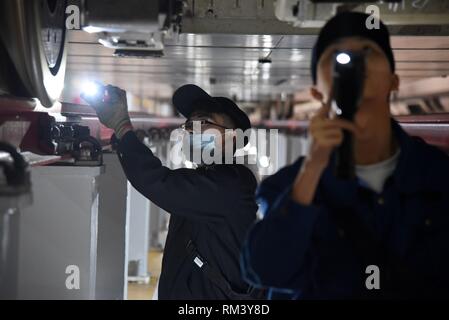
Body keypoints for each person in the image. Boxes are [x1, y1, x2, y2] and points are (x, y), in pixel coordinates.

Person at [241, 11, 449, 299]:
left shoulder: (439, 175)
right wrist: (313, 168)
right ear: (317, 93)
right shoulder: (288, 187)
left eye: (368, 51)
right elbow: (267, 269)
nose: (355, 66)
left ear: (394, 80)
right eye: (336, 57)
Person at [83, 84, 259, 299]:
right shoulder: (210, 180)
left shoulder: (229, 185)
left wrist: (122, 127)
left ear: (232, 137)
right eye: (188, 125)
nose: (191, 131)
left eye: (202, 122)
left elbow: (156, 181)